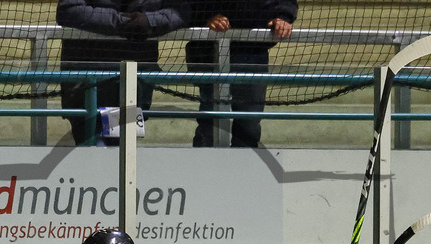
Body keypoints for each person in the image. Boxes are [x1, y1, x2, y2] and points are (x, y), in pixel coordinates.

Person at [57, 0, 189, 145]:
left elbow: (181, 12)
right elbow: (68, 10)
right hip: (87, 86)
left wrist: (149, 21)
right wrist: (122, 23)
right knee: (93, 146)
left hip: (133, 87)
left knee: (122, 147)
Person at [186, 0, 297, 148]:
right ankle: (205, 166)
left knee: (249, 121)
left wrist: (283, 17)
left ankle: (245, 166)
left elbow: (286, 2)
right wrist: (205, 18)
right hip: (208, 51)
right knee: (210, 121)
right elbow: (184, 6)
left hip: (253, 52)